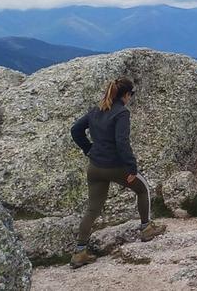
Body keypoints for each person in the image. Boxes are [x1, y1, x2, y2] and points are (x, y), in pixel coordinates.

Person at [69, 77, 166, 268]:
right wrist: (131, 167)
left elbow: (75, 130)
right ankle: (146, 228)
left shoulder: (96, 110)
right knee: (143, 189)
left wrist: (88, 148)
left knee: (93, 209)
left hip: (95, 168)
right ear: (126, 94)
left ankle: (79, 252)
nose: (130, 98)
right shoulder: (122, 113)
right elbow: (122, 142)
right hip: (115, 166)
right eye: (131, 94)